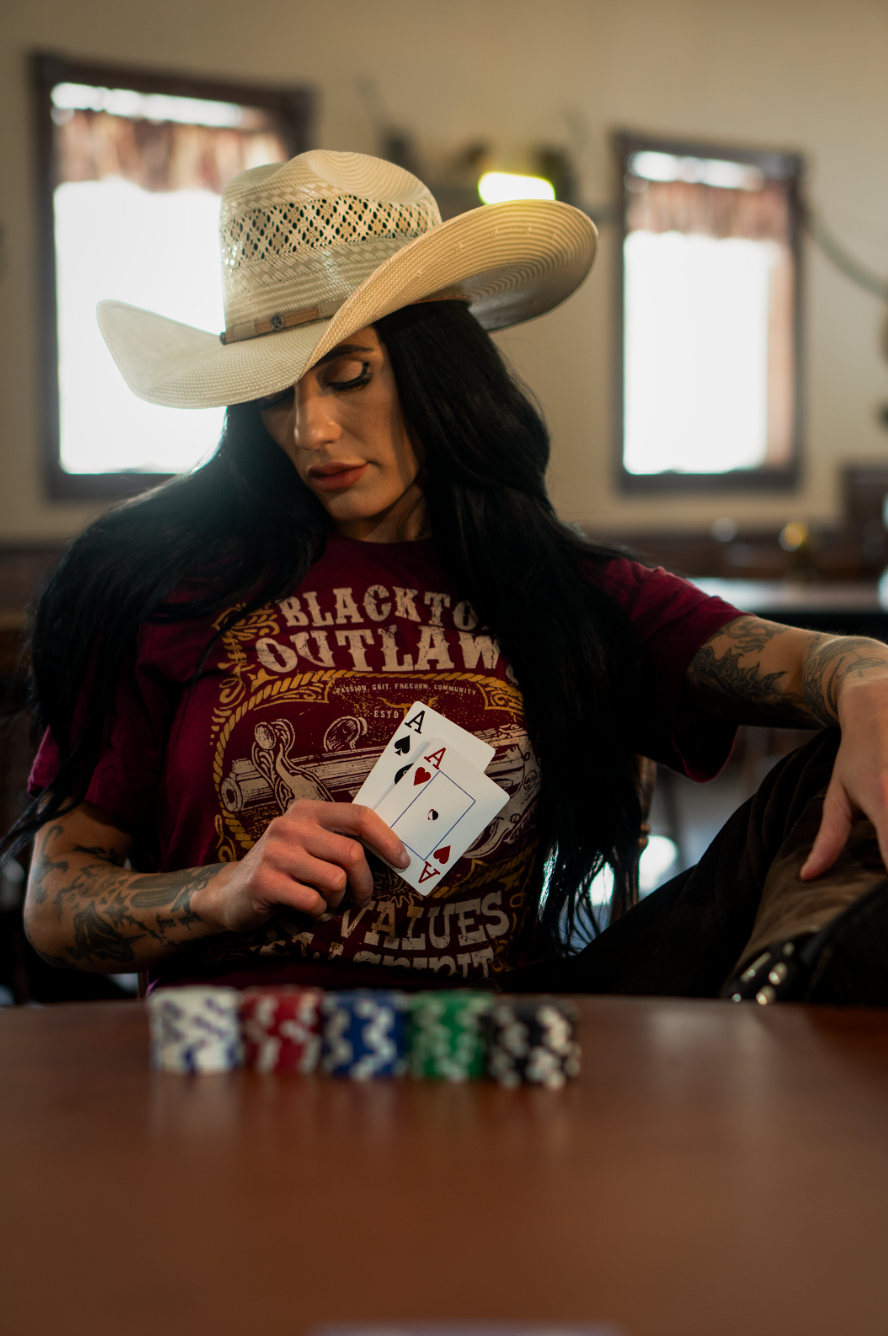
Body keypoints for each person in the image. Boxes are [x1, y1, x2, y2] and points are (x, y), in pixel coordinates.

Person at [12, 151, 888, 1004]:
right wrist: (221, 888)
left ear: (437, 370)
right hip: (254, 1044)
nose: (311, 431)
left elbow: (821, 663)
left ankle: (788, 1002)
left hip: (493, 1039)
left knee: (839, 761)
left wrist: (864, 676)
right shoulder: (164, 583)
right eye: (274, 394)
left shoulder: (564, 589)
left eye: (347, 375)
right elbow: (54, 904)